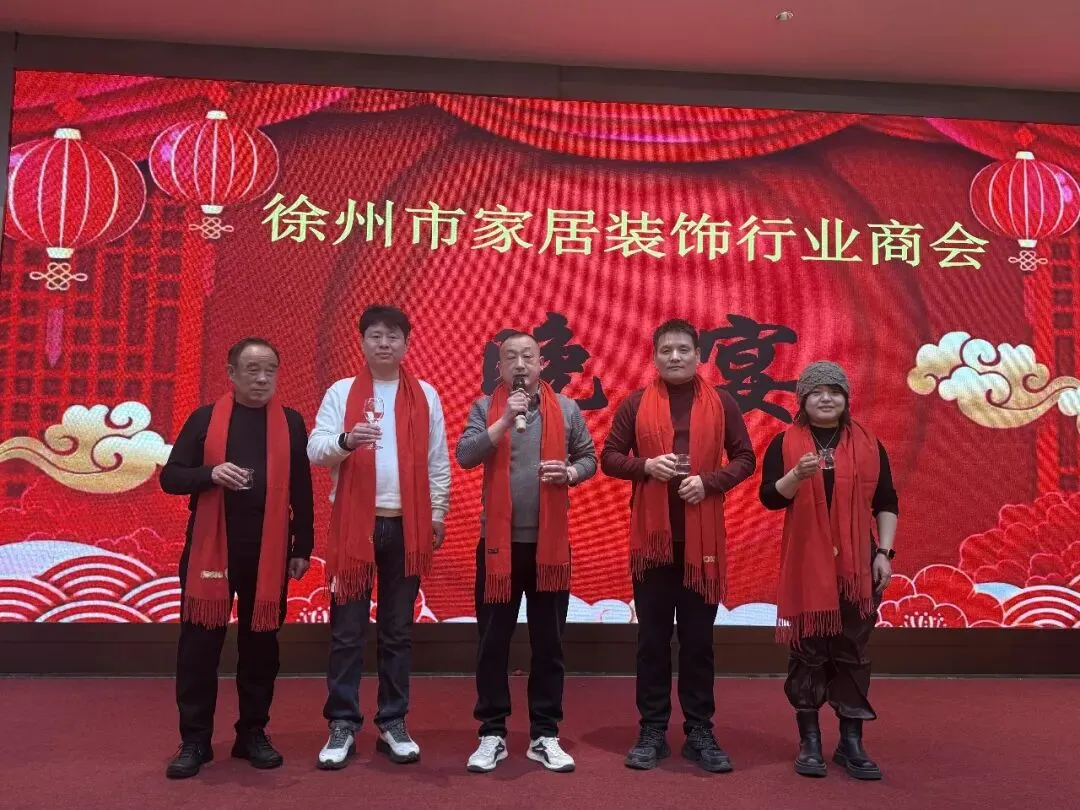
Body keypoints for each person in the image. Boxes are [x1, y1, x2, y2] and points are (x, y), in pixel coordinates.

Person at [601, 319, 756, 773]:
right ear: (654, 357)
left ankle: (699, 731)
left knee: (698, 643)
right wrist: (646, 466)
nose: (675, 356)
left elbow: (746, 458)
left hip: (700, 547)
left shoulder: (723, 402)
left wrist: (709, 483)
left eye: (683, 349)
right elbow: (609, 457)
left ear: (698, 355)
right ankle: (652, 729)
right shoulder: (635, 404)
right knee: (651, 641)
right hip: (653, 547)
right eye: (666, 350)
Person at [159, 337, 315, 780]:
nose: (262, 378)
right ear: (231, 373)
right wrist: (210, 474)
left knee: (261, 648)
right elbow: (171, 478)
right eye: (252, 369)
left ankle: (252, 733)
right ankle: (195, 740)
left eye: (270, 370)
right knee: (198, 648)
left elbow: (302, 487)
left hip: (267, 552)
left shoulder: (290, 422)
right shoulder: (204, 419)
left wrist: (302, 546)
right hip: (210, 550)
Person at [308, 305, 451, 769]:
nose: (384, 343)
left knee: (397, 631)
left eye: (392, 336)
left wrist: (438, 512)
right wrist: (347, 441)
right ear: (362, 342)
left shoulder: (425, 394)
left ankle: (393, 720)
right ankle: (342, 723)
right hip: (356, 526)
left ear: (406, 344)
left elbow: (437, 461)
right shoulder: (341, 392)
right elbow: (316, 449)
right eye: (375, 335)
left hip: (406, 526)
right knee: (347, 631)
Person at [456, 331, 598, 774]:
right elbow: (465, 455)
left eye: (528, 357)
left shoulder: (567, 409)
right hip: (498, 550)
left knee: (548, 644)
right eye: (510, 358)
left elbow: (589, 458)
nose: (520, 365)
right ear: (499, 368)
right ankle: (492, 733)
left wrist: (570, 473)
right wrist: (503, 422)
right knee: (492, 643)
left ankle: (544, 733)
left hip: (549, 550)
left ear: (541, 364)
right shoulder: (485, 407)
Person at [758, 360, 898, 781]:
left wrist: (884, 553)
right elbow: (770, 498)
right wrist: (795, 477)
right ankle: (810, 740)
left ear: (845, 399)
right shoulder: (784, 443)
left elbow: (886, 501)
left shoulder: (870, 445)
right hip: (808, 563)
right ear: (802, 400)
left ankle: (851, 742)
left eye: (834, 392)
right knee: (809, 652)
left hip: (858, 567)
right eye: (816, 392)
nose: (826, 398)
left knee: (852, 651)